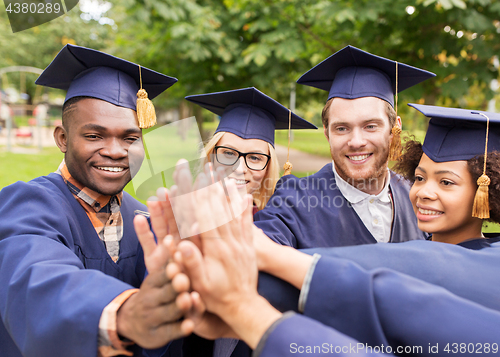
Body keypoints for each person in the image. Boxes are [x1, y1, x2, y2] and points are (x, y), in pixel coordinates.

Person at [140, 164, 500, 357]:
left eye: (448, 182)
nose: (425, 191)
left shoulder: (479, 267)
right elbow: (393, 300)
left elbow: (412, 300)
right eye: (420, 176)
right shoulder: (298, 195)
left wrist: (244, 292)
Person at [0, 44, 193, 357]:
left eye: (130, 138)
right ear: (62, 138)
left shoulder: (144, 217)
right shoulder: (27, 205)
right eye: (94, 136)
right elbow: (37, 277)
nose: (116, 151)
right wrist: (128, 313)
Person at [254, 45, 435, 248]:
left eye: (370, 126)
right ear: (327, 133)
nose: (356, 142)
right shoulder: (295, 200)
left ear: (395, 129)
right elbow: (259, 248)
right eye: (342, 128)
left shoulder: (415, 194)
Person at [186, 87, 316, 211]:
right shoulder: (182, 217)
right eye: (229, 153)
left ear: (268, 167)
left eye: (254, 157)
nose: (239, 169)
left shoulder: (275, 226)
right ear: (211, 156)